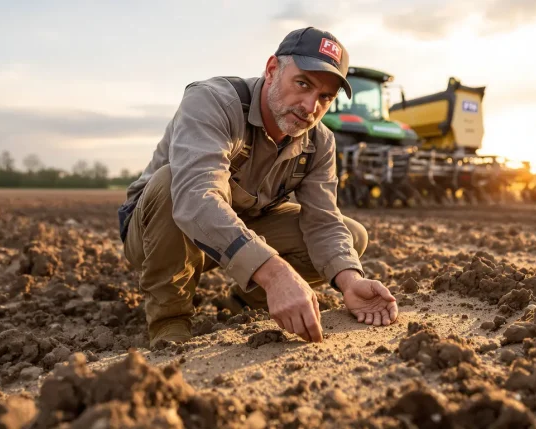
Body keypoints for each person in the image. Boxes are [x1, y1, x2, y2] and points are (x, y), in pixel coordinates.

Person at [117, 27, 399, 348]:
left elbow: (323, 220)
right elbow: (196, 199)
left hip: (238, 229)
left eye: (325, 97)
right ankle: (170, 320)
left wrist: (350, 280)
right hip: (158, 233)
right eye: (303, 83)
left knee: (351, 237)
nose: (310, 107)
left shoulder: (320, 141)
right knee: (172, 182)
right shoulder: (212, 102)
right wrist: (274, 272)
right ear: (271, 70)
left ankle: (243, 304)